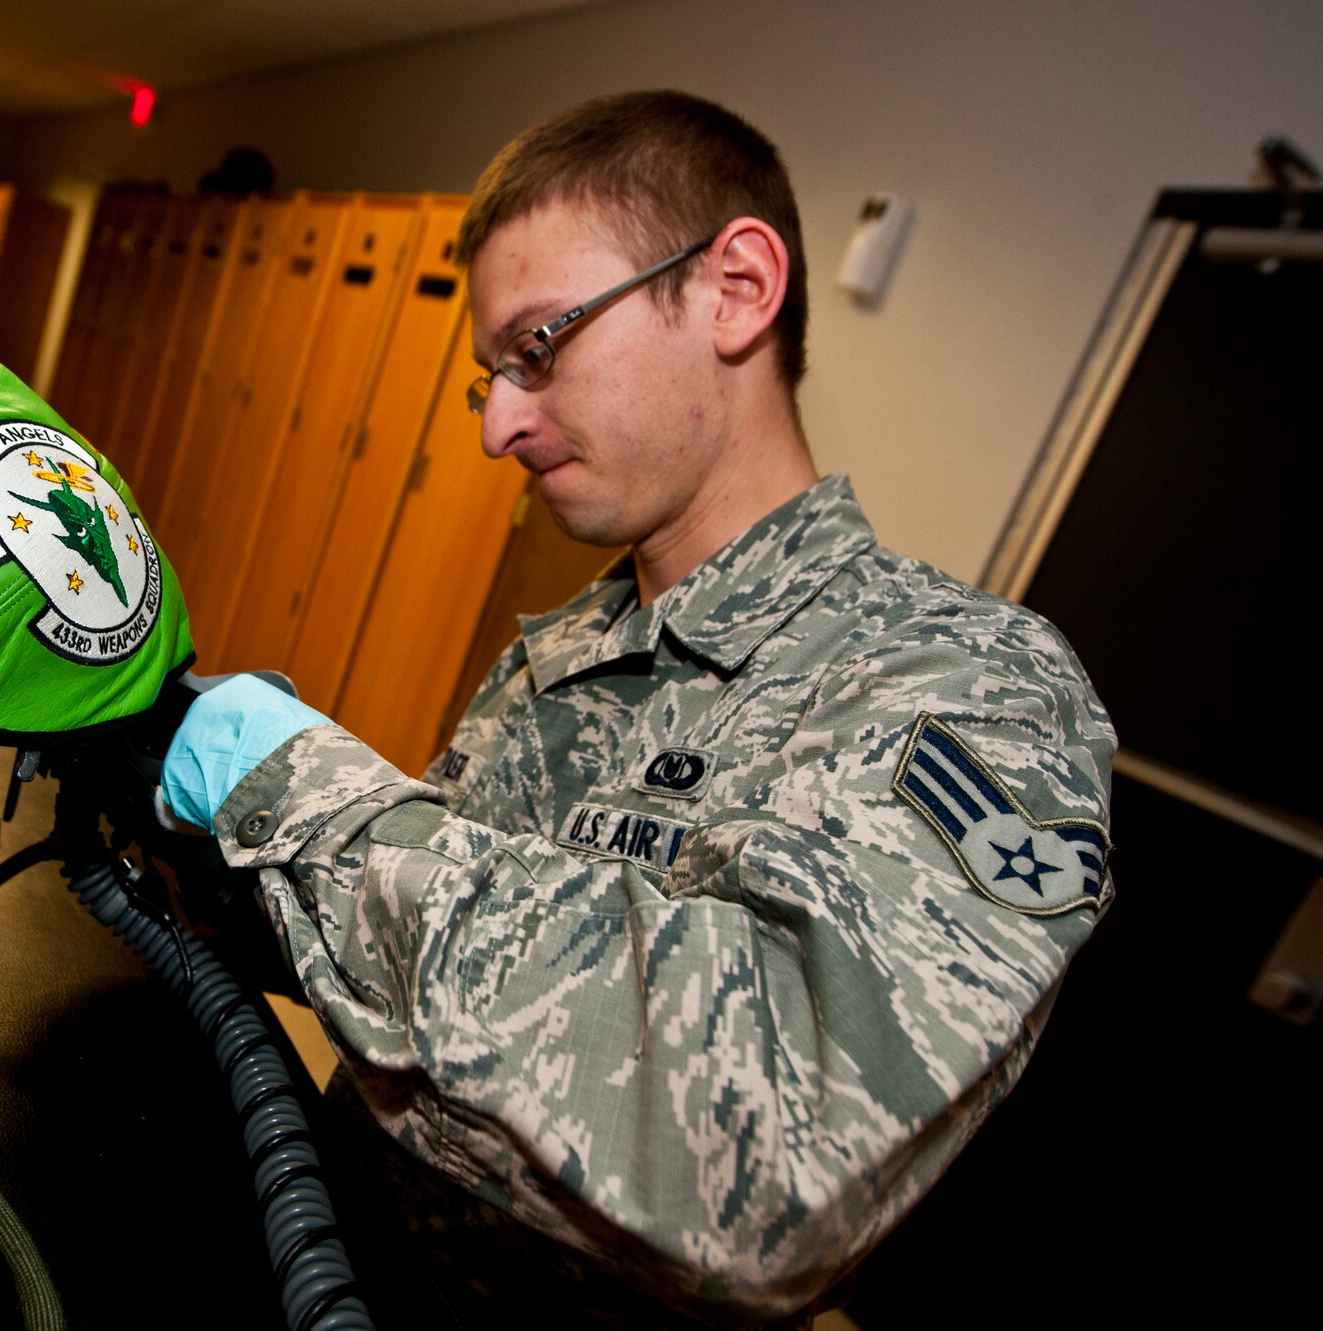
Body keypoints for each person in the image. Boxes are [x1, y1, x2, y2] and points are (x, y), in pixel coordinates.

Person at [160, 91, 1115, 1326]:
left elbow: (765, 1159)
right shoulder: (567, 648)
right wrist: (165, 776)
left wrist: (296, 789)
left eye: (538, 347)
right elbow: (406, 971)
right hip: (324, 1256)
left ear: (732, 288)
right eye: (489, 379)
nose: (500, 422)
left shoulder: (966, 684)